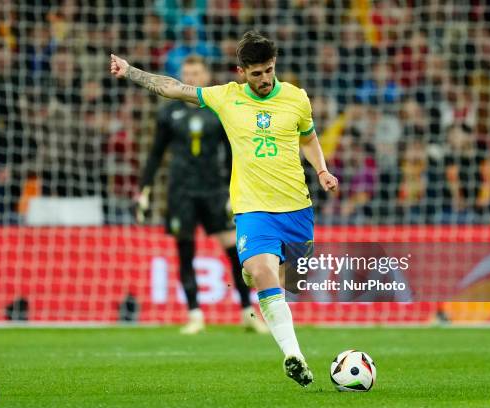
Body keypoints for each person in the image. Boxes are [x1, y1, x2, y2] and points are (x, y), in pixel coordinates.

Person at [110, 30, 338, 387]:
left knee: (281, 280)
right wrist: (131, 72)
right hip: (252, 208)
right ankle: (295, 357)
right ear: (241, 71)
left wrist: (322, 170)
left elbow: (307, 137)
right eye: (257, 73)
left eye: (269, 70)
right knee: (260, 269)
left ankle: (254, 278)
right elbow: (175, 88)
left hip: (296, 207)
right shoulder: (226, 98)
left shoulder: (296, 98)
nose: (265, 79)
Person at [139, 55, 268, 335]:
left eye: (196, 72)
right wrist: (144, 189)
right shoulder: (168, 112)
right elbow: (156, 153)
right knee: (185, 251)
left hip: (214, 190)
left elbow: (235, 153)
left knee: (233, 249)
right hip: (180, 191)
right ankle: (194, 314)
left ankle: (248, 312)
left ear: (206, 76)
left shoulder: (219, 110)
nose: (191, 77)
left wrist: (237, 188)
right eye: (187, 73)